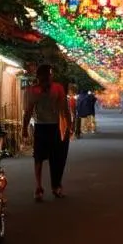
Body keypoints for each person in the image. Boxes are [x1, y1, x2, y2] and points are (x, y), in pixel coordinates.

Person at [23, 64, 71, 200]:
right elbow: (28, 111)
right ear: (43, 76)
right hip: (47, 127)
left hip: (48, 127)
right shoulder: (41, 90)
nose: (50, 76)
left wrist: (69, 125)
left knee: (49, 157)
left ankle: (48, 187)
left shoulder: (52, 89)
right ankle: (46, 187)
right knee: (46, 158)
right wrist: (24, 128)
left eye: (51, 74)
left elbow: (64, 108)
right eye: (49, 74)